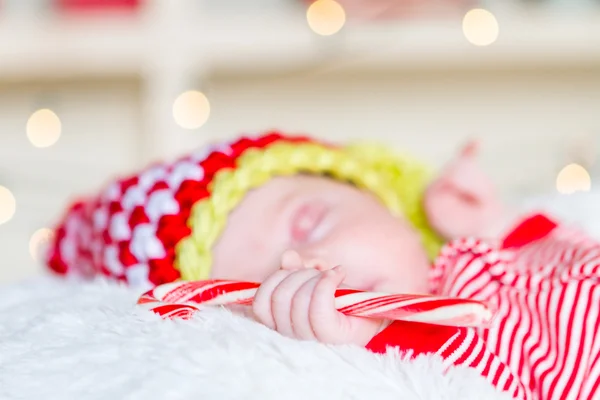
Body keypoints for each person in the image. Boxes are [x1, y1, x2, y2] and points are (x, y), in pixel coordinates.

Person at [47, 132, 600, 400]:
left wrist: (494, 220)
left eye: (310, 223)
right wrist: (368, 336)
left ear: (379, 196)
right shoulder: (415, 363)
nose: (307, 264)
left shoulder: (485, 251)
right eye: (271, 282)